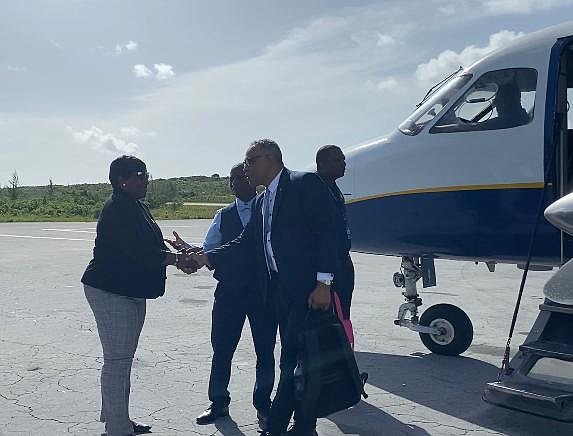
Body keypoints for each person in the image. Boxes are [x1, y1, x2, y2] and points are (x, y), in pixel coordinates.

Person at [190, 139, 337, 436]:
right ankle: (295, 425)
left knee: (297, 361)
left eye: (250, 162)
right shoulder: (261, 201)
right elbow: (245, 242)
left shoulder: (303, 183)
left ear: (270, 159)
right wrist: (207, 256)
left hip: (307, 290)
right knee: (290, 361)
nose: (246, 169)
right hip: (277, 291)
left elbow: (328, 231)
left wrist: (324, 282)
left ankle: (293, 425)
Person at [81, 155, 194, 436]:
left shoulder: (135, 205)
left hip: (129, 290)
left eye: (147, 174)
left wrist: (178, 252)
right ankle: (118, 428)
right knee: (117, 361)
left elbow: (148, 243)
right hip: (110, 291)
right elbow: (139, 251)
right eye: (140, 174)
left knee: (122, 359)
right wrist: (176, 260)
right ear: (122, 180)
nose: (146, 179)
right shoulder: (118, 208)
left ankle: (117, 419)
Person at [166, 164, 277, 429]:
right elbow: (210, 249)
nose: (236, 183)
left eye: (241, 177)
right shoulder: (223, 215)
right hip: (229, 293)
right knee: (222, 349)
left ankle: (264, 405)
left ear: (253, 179)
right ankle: (218, 402)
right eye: (232, 179)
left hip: (264, 293)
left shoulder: (270, 210)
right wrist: (189, 251)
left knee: (265, 351)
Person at [315, 145, 354, 322]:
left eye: (343, 159)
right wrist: (324, 281)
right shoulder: (317, 190)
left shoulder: (334, 189)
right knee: (327, 319)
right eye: (338, 160)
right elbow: (323, 238)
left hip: (342, 264)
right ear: (322, 164)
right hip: (328, 269)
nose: (344, 163)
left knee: (342, 315)